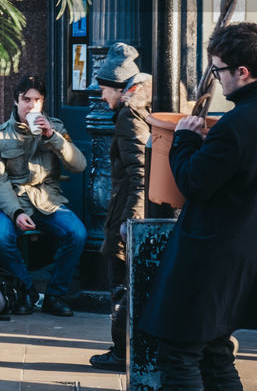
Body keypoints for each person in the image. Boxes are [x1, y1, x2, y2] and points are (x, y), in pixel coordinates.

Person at [139, 22, 257, 390]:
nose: (217, 78)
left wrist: (184, 141)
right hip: (252, 249)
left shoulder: (238, 124)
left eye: (219, 70)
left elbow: (193, 182)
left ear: (241, 72)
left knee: (179, 353)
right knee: (215, 351)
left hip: (212, 253)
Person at [0, 74, 87, 317]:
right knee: (1, 237)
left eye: (37, 100)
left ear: (43, 102)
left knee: (77, 233)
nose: (31, 106)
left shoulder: (57, 128)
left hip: (48, 201)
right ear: (16, 100)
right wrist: (16, 212)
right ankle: (26, 291)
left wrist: (53, 137)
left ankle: (55, 295)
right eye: (26, 99)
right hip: (15, 201)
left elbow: (79, 165)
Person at [88, 42, 151, 372]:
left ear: (119, 87)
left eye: (103, 89)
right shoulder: (145, 104)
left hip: (128, 213)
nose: (101, 97)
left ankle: (121, 351)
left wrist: (132, 222)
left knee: (122, 286)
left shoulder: (129, 115)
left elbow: (139, 171)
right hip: (140, 212)